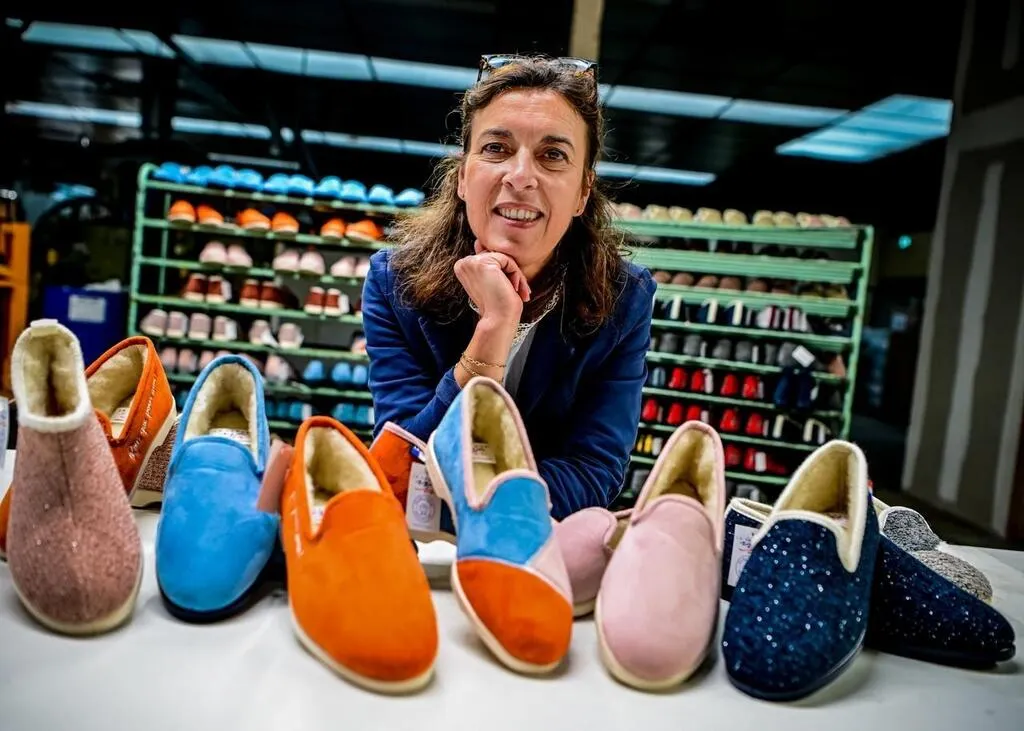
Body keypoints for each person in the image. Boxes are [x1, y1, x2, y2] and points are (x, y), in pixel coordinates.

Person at [362, 54, 655, 518]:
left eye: (552, 155)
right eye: (496, 148)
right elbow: (404, 456)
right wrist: (494, 329)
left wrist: (489, 513)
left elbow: (593, 469)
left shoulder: (624, 299)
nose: (520, 177)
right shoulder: (394, 283)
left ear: (583, 192)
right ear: (463, 176)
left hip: (537, 534)